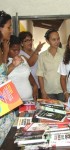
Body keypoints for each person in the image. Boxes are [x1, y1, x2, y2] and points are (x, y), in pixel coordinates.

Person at [0, 10, 16, 146]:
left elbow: (3, 72)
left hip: (6, 101)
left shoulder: (1, 48)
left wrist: (5, 50)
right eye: (8, 27)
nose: (11, 30)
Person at [36, 29, 65, 101]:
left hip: (63, 90)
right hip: (48, 92)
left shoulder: (64, 53)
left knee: (64, 111)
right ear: (48, 41)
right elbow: (40, 75)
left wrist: (66, 91)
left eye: (58, 39)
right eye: (54, 39)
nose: (57, 42)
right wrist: (43, 91)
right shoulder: (42, 56)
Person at [7, 35, 38, 102]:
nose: (17, 52)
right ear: (7, 48)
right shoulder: (4, 62)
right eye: (14, 50)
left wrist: (35, 85)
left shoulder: (22, 58)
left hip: (29, 100)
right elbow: (2, 75)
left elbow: (28, 74)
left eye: (18, 50)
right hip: (13, 102)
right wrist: (13, 64)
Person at [19, 31, 45, 98]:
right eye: (26, 40)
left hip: (39, 84)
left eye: (30, 40)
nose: (30, 42)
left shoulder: (33, 51)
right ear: (21, 43)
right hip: (29, 85)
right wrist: (37, 50)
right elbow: (30, 63)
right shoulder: (20, 54)